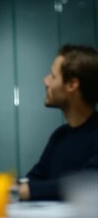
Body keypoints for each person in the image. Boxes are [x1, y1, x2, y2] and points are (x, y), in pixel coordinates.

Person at [18, 44, 98, 201]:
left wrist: (28, 190)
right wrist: (5, 187)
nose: (46, 81)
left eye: (53, 76)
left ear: (72, 85)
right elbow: (35, 177)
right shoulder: (60, 135)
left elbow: (89, 182)